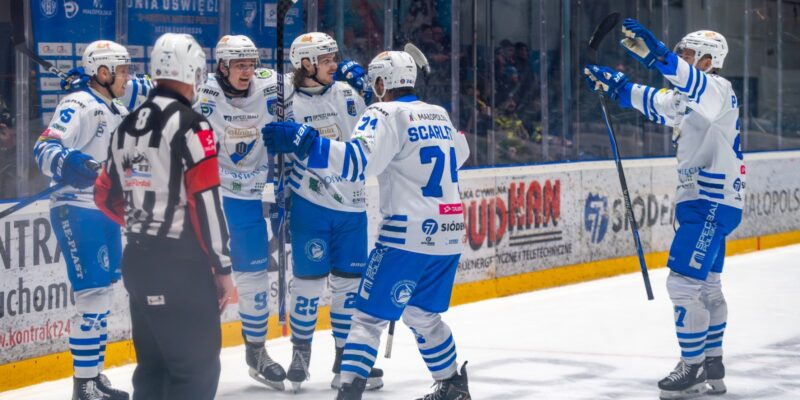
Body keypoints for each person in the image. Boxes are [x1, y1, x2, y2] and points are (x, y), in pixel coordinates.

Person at [263, 49, 472, 400]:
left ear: (380, 83)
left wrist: (306, 139)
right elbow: (461, 153)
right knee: (422, 315)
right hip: (449, 233)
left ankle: (349, 393)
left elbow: (357, 163)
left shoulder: (382, 112)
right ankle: (453, 385)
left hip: (406, 237)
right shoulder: (438, 113)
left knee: (365, 319)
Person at [584, 18, 743, 400]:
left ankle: (691, 368)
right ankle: (712, 364)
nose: (683, 57)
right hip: (707, 204)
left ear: (708, 60)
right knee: (707, 287)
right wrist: (615, 84)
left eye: (689, 54)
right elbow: (653, 101)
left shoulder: (717, 89)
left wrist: (658, 54)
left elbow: (683, 79)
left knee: (681, 285)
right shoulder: (692, 97)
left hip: (709, 203)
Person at [94, 33, 234, 400]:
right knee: (194, 372)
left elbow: (104, 194)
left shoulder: (125, 125)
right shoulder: (192, 124)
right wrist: (222, 268)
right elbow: (206, 203)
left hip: (138, 263)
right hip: (181, 268)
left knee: (152, 373)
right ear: (192, 71)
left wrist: (143, 222)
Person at [281, 31, 383, 392]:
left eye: (333, 59)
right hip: (311, 204)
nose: (334, 65)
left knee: (349, 287)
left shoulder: (347, 94)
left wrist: (372, 97)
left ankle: (345, 355)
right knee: (308, 286)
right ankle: (301, 352)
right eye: (326, 60)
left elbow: (376, 135)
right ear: (305, 63)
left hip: (353, 206)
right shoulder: (286, 100)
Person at [32, 40, 132, 400]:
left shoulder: (114, 105)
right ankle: (83, 386)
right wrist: (69, 162)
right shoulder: (78, 104)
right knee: (91, 298)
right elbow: (45, 147)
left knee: (102, 297)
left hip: (104, 211)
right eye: (121, 70)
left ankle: (93, 375)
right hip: (76, 209)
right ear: (102, 73)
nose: (127, 77)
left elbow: (149, 88)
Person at [193, 34, 288, 391]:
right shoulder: (206, 97)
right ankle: (198, 358)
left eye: (251, 64)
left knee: (253, 279)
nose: (247, 71)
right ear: (222, 66)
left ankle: (257, 352)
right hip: (214, 202)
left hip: (250, 199)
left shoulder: (269, 87)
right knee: (204, 282)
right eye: (239, 65)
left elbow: (312, 84)